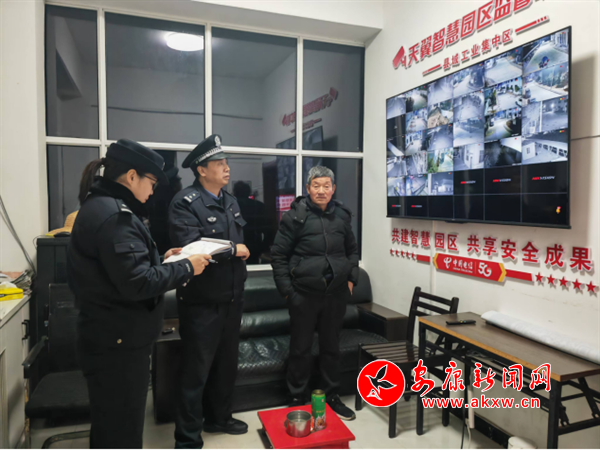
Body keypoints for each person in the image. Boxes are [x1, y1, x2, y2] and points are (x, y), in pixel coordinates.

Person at [67, 139, 211, 448]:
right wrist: (187, 267)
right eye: (152, 182)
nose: (153, 191)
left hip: (110, 338)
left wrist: (163, 259)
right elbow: (138, 282)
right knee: (122, 433)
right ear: (132, 176)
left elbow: (122, 271)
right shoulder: (115, 217)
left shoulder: (102, 206)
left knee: (111, 427)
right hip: (117, 345)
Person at [168, 134, 250, 449]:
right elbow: (190, 247)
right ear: (202, 170)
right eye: (219, 164)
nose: (227, 168)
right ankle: (188, 437)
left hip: (231, 298)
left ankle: (220, 418)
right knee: (195, 372)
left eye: (227, 163)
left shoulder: (230, 201)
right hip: (201, 302)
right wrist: (233, 249)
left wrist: (235, 251)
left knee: (226, 366)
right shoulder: (185, 202)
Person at [271, 166, 359, 421]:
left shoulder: (342, 215)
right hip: (304, 294)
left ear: (333, 189)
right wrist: (288, 292)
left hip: (336, 294)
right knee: (300, 348)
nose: (321, 191)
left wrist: (351, 278)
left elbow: (352, 251)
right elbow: (278, 256)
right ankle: (296, 397)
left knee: (332, 348)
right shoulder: (295, 217)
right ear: (308, 188)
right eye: (316, 186)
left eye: (326, 186)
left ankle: (332, 396)